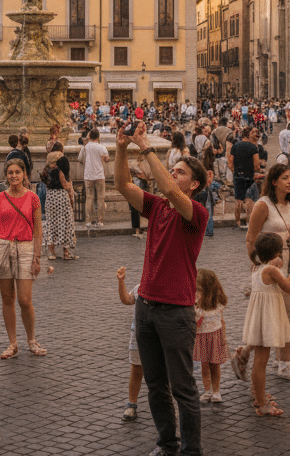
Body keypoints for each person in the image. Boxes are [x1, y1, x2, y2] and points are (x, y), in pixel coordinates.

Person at [114, 123, 208, 456]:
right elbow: (122, 184)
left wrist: (146, 148)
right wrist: (123, 148)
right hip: (146, 305)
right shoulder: (155, 207)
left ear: (194, 183)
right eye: (172, 170)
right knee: (155, 386)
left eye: (179, 172)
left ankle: (191, 450)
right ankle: (168, 444)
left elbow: (170, 191)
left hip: (176, 310)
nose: (172, 174)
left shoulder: (195, 212)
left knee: (183, 388)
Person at [243, 164, 290, 383]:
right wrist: (258, 264)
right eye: (285, 178)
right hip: (268, 268)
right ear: (273, 181)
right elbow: (251, 237)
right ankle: (244, 353)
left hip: (288, 264)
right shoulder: (263, 205)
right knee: (267, 315)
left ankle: (285, 364)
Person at [232, 233, 290, 417]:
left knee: (260, 360)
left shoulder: (257, 268)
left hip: (260, 317)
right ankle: (261, 403)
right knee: (261, 362)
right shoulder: (271, 271)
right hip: (267, 319)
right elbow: (289, 289)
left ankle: (258, 394)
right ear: (277, 252)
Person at [0, 158, 45, 359]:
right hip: (3, 246)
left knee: (24, 299)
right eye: (10, 172)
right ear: (6, 175)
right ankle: (13, 343)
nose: (13, 176)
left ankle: (31, 339)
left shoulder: (33, 198)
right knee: (7, 298)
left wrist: (37, 257)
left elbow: (38, 230)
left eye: (17, 172)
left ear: (24, 175)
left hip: (26, 247)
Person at [193, 269, 230, 404]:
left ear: (208, 289)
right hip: (202, 338)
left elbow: (222, 321)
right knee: (204, 367)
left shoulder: (217, 305)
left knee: (215, 366)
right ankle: (207, 390)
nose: (195, 292)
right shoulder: (195, 305)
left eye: (198, 289)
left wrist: (223, 338)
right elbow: (193, 323)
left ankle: (216, 391)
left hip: (215, 337)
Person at [115, 265, 143, 421]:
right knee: (137, 369)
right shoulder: (140, 288)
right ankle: (131, 404)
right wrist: (121, 282)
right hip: (138, 335)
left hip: (157, 336)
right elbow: (126, 299)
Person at [40, 143, 77, 260]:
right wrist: (70, 186)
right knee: (66, 222)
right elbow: (65, 185)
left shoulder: (47, 170)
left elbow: (45, 182)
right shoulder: (61, 168)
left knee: (51, 223)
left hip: (50, 197)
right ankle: (66, 252)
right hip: (61, 196)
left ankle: (52, 253)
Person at [229, 127, 262, 230]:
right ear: (248, 135)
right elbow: (257, 165)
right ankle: (248, 223)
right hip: (249, 176)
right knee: (249, 201)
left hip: (237, 176)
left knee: (238, 200)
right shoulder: (253, 147)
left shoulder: (235, 146)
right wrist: (258, 170)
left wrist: (235, 171)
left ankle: (238, 223)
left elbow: (230, 161)